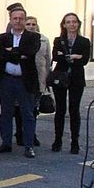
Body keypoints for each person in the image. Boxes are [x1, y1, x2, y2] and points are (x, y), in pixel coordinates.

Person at [0, 5, 41, 159]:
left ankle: (28, 146)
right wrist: (18, 54)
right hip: (7, 80)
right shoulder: (3, 38)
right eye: (15, 18)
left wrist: (11, 52)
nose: (18, 21)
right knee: (6, 112)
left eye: (21, 18)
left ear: (25, 20)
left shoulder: (33, 37)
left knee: (27, 113)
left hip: (25, 80)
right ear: (10, 20)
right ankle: (6, 143)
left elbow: (30, 52)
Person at [48, 12, 92, 155]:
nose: (72, 24)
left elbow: (84, 60)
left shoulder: (84, 41)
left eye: (74, 22)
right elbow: (56, 56)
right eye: (68, 22)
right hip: (60, 76)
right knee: (60, 109)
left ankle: (75, 142)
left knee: (74, 109)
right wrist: (74, 56)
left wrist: (72, 57)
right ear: (64, 25)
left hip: (76, 77)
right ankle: (57, 140)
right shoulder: (59, 40)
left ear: (78, 24)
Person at [22, 15, 52, 148]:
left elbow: (48, 60)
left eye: (33, 24)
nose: (31, 27)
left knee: (34, 108)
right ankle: (21, 133)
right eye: (28, 24)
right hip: (24, 77)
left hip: (39, 78)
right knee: (21, 108)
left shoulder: (44, 40)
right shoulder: (20, 38)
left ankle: (31, 134)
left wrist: (45, 79)